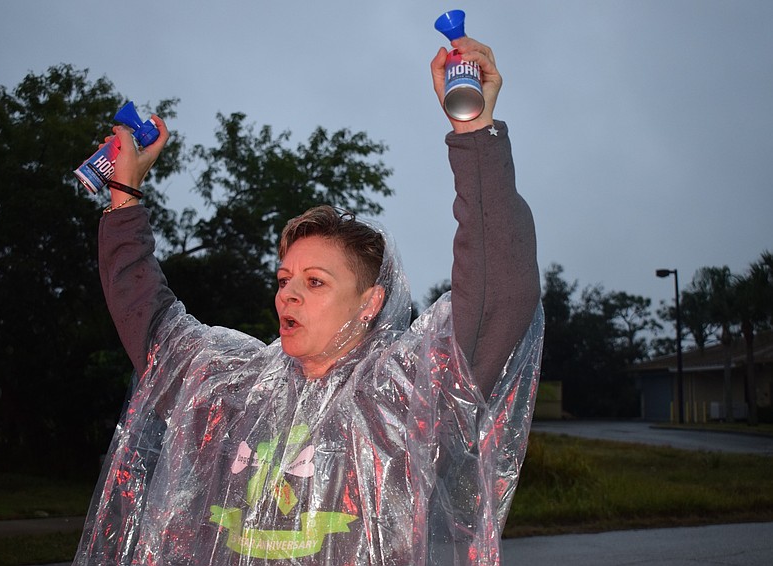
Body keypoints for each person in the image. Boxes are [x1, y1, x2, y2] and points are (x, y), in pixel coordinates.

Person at [74, 35, 543, 566]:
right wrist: (125, 197)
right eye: (283, 279)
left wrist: (472, 128)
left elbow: (498, 289)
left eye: (315, 282)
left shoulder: (405, 394)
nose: (288, 293)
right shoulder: (235, 391)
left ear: (370, 303)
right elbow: (150, 321)